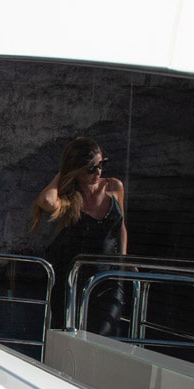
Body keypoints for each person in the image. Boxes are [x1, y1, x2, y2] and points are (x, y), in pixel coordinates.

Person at [31, 137, 127, 335]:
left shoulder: (114, 187)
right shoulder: (68, 197)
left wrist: (123, 262)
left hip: (107, 277)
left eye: (102, 165)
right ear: (76, 169)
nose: (98, 172)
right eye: (91, 168)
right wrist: (63, 173)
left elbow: (121, 227)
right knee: (68, 335)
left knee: (103, 334)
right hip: (72, 277)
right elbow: (46, 201)